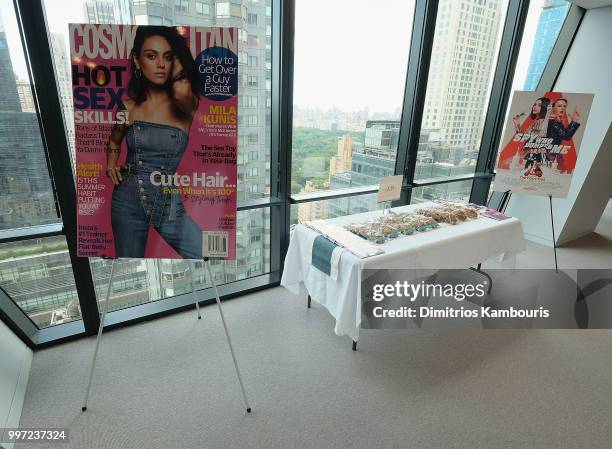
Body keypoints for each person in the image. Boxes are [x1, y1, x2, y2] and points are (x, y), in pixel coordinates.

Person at [105, 26, 202, 258]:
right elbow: (114, 140)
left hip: (168, 205)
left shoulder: (187, 103)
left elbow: (180, 91)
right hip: (126, 204)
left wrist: (178, 67)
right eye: (151, 56)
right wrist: (111, 164)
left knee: (206, 250)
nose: (161, 64)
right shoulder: (126, 108)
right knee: (128, 263)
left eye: (167, 57)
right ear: (137, 61)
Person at [546, 98, 581, 170]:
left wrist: (573, 121)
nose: (562, 108)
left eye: (564, 106)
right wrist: (574, 122)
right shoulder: (552, 121)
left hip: (553, 153)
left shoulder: (557, 121)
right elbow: (567, 136)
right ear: (553, 108)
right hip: (549, 155)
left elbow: (565, 133)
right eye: (559, 106)